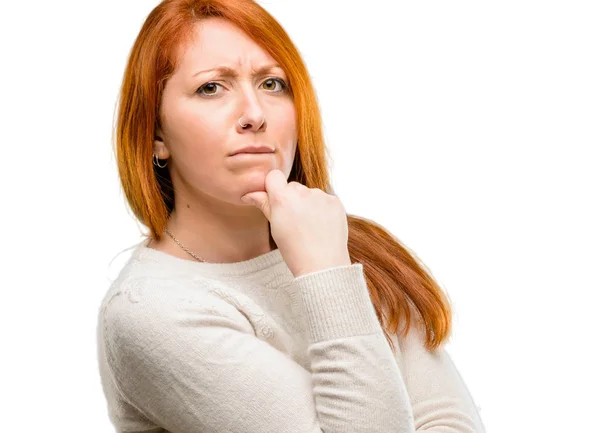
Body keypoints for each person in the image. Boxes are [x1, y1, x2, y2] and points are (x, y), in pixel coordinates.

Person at [97, 1, 487, 432]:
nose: (254, 114)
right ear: (155, 133)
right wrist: (325, 271)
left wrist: (328, 259)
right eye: (212, 88)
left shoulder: (340, 242)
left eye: (272, 83)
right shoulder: (152, 312)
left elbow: (448, 419)